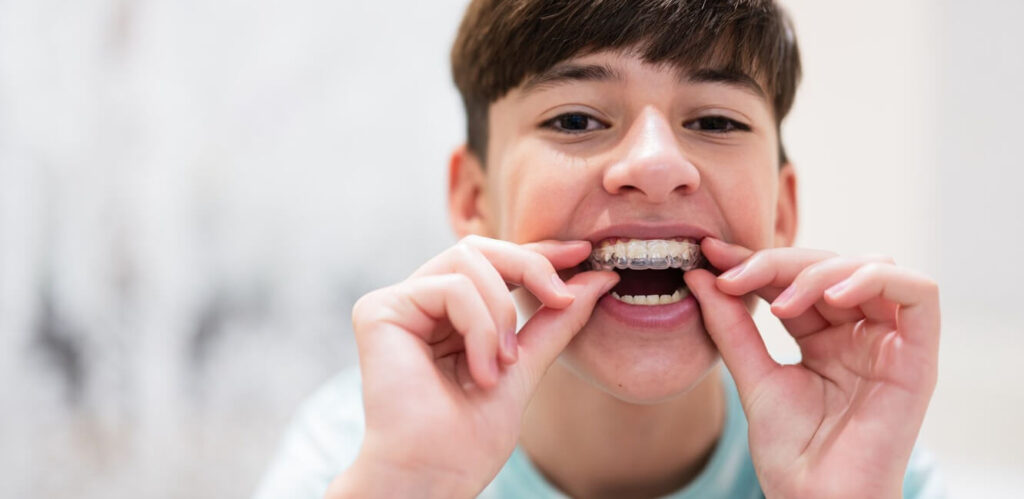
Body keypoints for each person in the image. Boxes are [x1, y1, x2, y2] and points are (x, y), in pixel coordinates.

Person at [254, 1, 943, 497]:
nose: (654, 163)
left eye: (712, 119)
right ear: (473, 199)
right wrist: (410, 485)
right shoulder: (358, 451)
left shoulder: (876, 469)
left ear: (781, 209)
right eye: (577, 118)